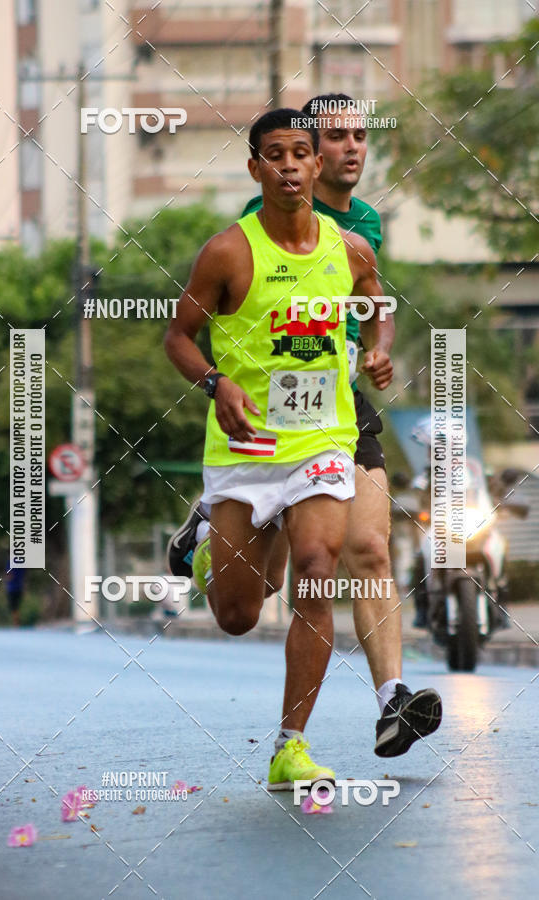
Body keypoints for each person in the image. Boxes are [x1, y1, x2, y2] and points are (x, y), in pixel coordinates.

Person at [165, 108, 441, 789]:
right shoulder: (228, 251)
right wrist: (216, 383)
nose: (289, 165)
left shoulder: (351, 249)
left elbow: (376, 305)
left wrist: (379, 354)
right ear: (256, 170)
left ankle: (291, 744)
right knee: (238, 614)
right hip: (246, 447)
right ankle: (209, 544)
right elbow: (178, 336)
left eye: (299, 154)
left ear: (314, 167)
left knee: (319, 566)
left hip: (324, 438)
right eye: (274, 156)